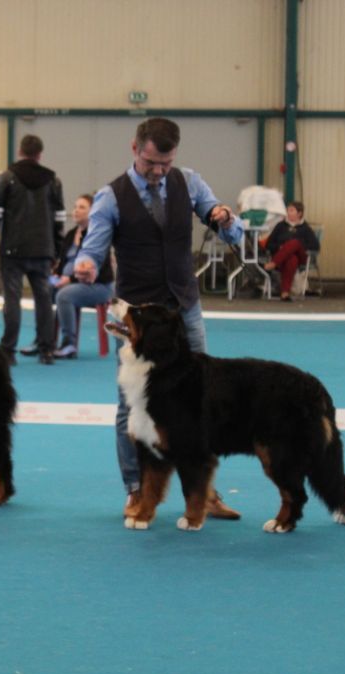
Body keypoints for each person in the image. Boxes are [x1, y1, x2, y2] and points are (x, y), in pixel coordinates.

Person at [73, 117, 244, 521]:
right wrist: (85, 263)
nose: (159, 171)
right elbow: (94, 246)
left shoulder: (190, 182)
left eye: (166, 164)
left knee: (198, 400)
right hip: (139, 317)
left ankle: (203, 492)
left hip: (184, 307)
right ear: (135, 148)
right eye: (152, 162)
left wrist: (225, 218)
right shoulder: (111, 197)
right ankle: (135, 490)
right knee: (131, 406)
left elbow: (232, 234)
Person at [0, 134, 66, 366]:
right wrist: (56, 252)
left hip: (12, 251)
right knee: (44, 300)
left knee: (13, 300)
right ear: (40, 154)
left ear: (20, 151)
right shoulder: (53, 181)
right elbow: (59, 220)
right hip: (43, 251)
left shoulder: (7, 177)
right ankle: (47, 350)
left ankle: (8, 350)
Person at [52, 194, 114, 359]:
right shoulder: (70, 234)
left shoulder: (98, 235)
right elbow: (62, 262)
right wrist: (56, 276)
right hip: (69, 284)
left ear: (92, 211)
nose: (76, 211)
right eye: (75, 207)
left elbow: (98, 270)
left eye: (81, 207)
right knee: (43, 290)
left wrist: (70, 279)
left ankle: (69, 344)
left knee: (64, 295)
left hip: (98, 286)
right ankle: (44, 341)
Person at [262, 200, 321, 301]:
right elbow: (269, 244)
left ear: (299, 213)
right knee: (292, 259)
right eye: (288, 210)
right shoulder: (280, 226)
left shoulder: (305, 228)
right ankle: (285, 293)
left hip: (301, 256)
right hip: (284, 258)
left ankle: (273, 263)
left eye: (291, 210)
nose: (288, 212)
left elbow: (315, 246)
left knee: (295, 243)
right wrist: (280, 248)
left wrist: (299, 246)